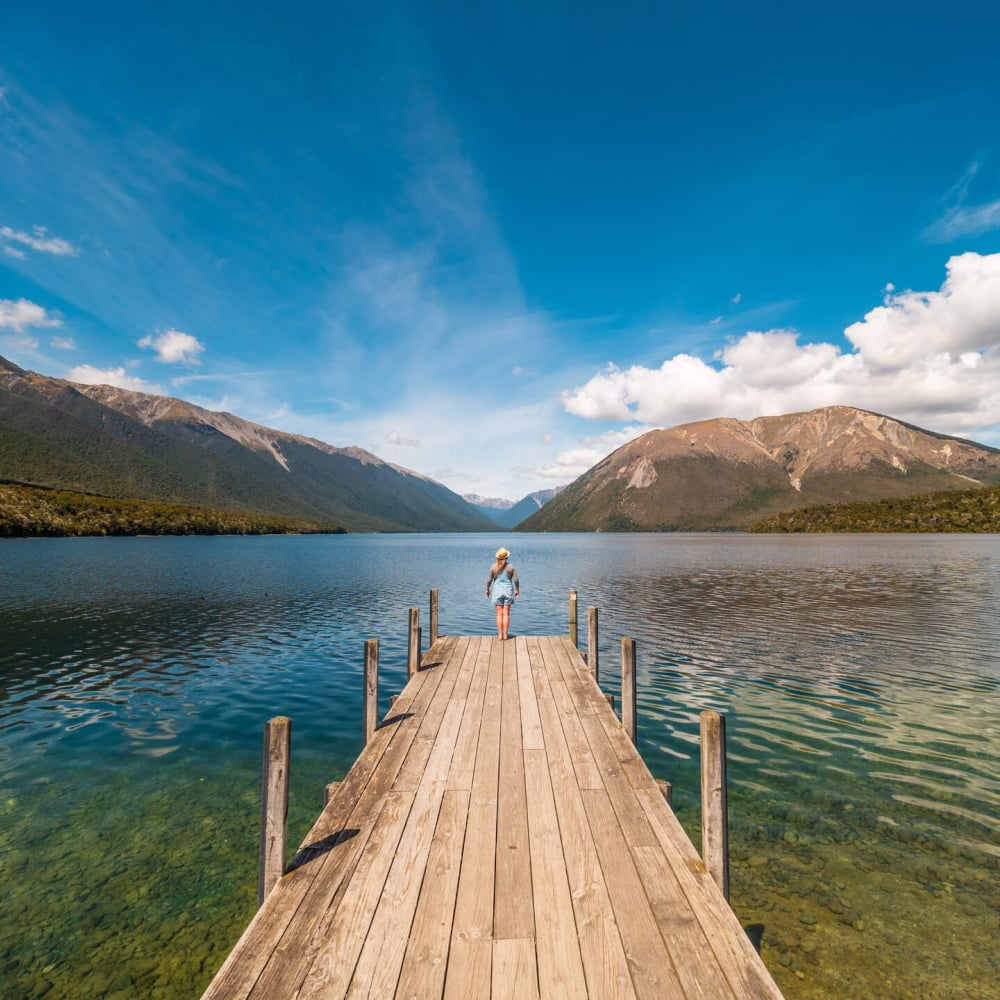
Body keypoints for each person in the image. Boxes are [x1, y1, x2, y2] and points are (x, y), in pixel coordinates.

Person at [486, 546, 520, 641]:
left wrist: (487, 589)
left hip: (497, 591)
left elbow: (489, 580)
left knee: (498, 614)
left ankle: (500, 635)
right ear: (507, 557)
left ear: (497, 557)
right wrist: (517, 590)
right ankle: (505, 635)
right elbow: (516, 580)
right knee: (506, 614)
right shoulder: (511, 566)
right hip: (508, 591)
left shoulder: (493, 567)